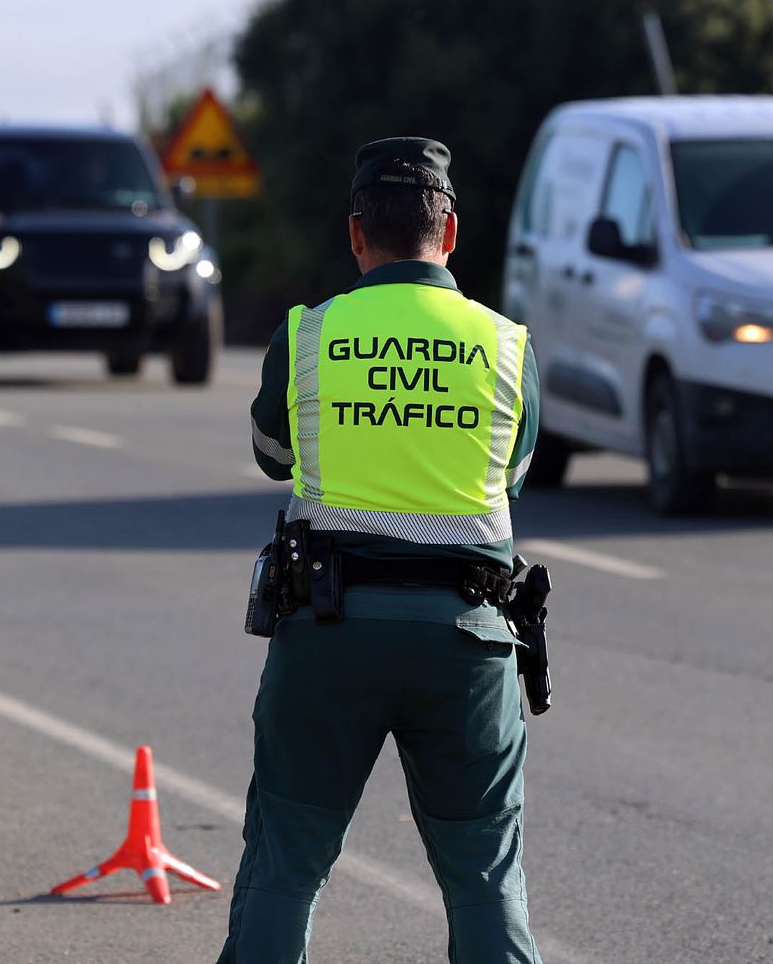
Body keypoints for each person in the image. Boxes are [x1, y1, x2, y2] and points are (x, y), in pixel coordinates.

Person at [218, 137, 543, 962]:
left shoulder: (309, 333)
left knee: (285, 868)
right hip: (467, 641)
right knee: (485, 877)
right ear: (451, 232)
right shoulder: (507, 344)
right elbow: (511, 474)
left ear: (356, 233)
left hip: (328, 634)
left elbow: (272, 453)